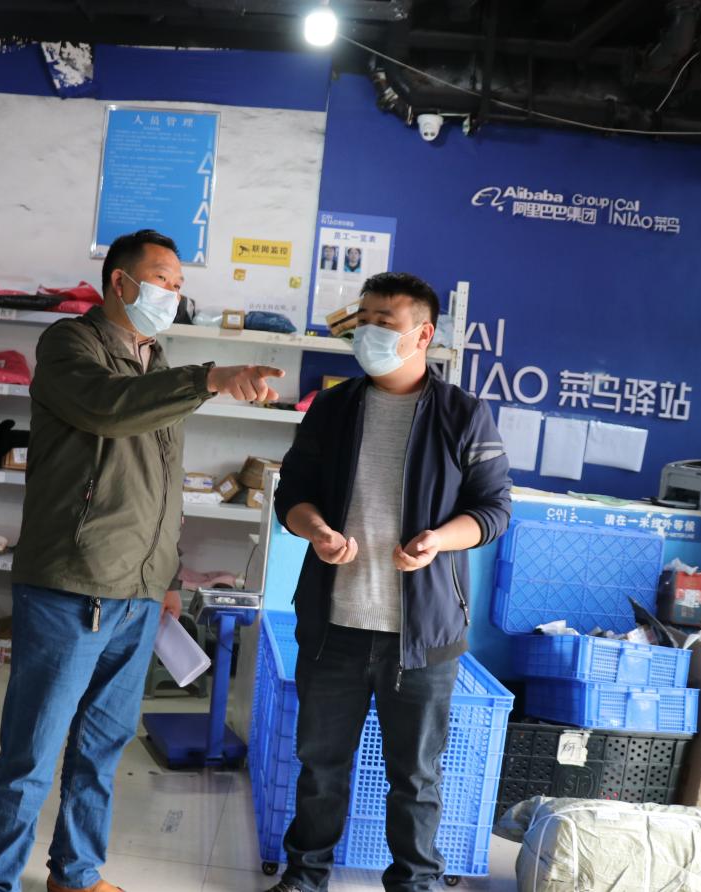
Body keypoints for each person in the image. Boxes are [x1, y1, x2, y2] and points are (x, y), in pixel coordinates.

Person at [0, 229, 285, 892]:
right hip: (71, 584)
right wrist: (209, 378)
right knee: (33, 749)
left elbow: (162, 485)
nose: (174, 292)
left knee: (102, 746)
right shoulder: (70, 345)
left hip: (137, 594)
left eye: (179, 283)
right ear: (121, 282)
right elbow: (107, 409)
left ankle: (76, 875)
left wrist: (165, 576)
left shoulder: (158, 361)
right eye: (163, 279)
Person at [268, 272, 512, 892]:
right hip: (334, 626)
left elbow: (493, 510)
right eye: (364, 320)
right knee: (320, 766)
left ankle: (414, 882)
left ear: (423, 335)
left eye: (385, 322)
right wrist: (317, 531)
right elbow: (291, 494)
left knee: (416, 777)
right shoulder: (332, 408)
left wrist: (438, 541)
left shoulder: (463, 415)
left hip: (422, 636)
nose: (369, 332)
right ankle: (305, 875)